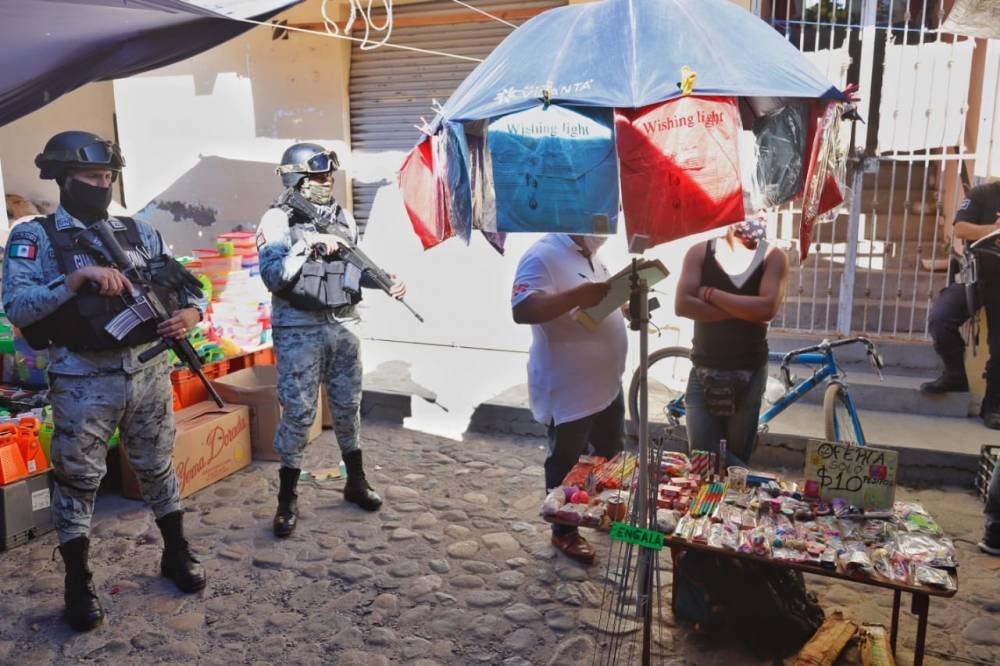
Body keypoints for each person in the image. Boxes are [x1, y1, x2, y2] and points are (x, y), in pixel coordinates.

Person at [1, 131, 206, 631]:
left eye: (110, 176)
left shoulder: (140, 231)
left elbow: (183, 288)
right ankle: (78, 582)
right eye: (93, 177)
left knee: (157, 466)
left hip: (148, 371)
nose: (104, 184)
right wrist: (73, 280)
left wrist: (191, 316)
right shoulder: (36, 237)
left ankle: (176, 553)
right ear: (64, 179)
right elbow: (17, 307)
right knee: (78, 481)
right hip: (81, 378)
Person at [257, 142, 406, 537]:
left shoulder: (342, 217)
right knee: (299, 413)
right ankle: (287, 498)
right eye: (319, 176)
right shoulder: (277, 220)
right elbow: (273, 277)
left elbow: (352, 269)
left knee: (347, 406)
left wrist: (384, 282)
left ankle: (355, 481)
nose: (327, 182)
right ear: (297, 178)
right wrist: (307, 246)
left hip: (343, 324)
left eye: (329, 175)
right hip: (298, 329)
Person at [511, 233, 626, 564]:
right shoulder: (543, 255)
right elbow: (523, 308)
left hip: (607, 384)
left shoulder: (592, 256)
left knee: (610, 457)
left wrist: (625, 306)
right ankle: (563, 531)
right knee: (566, 462)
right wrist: (576, 295)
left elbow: (596, 303)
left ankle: (602, 511)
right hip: (570, 388)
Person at [675, 218, 788, 466]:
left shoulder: (773, 256)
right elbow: (682, 304)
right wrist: (743, 308)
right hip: (703, 368)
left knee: (736, 452)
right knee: (703, 457)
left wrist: (710, 295)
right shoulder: (699, 253)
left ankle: (731, 501)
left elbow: (766, 308)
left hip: (749, 371)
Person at [921, 181, 1000, 428]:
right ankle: (955, 375)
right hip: (975, 276)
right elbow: (961, 229)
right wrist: (993, 229)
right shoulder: (984, 194)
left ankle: (993, 405)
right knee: (941, 319)